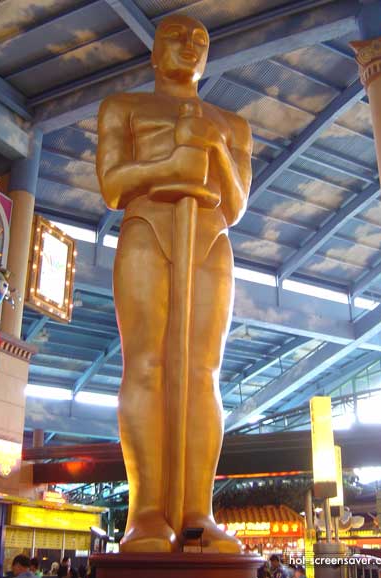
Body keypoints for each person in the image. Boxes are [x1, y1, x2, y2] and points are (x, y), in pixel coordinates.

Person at [97, 13, 252, 554]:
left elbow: (237, 204)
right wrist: (172, 161)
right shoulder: (123, 107)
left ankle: (196, 512)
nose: (190, 46)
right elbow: (113, 186)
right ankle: (145, 512)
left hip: (210, 237)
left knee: (203, 372)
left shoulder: (232, 125)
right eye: (176, 37)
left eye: (200, 40)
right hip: (146, 226)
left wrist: (213, 148)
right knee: (146, 364)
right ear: (154, 52)